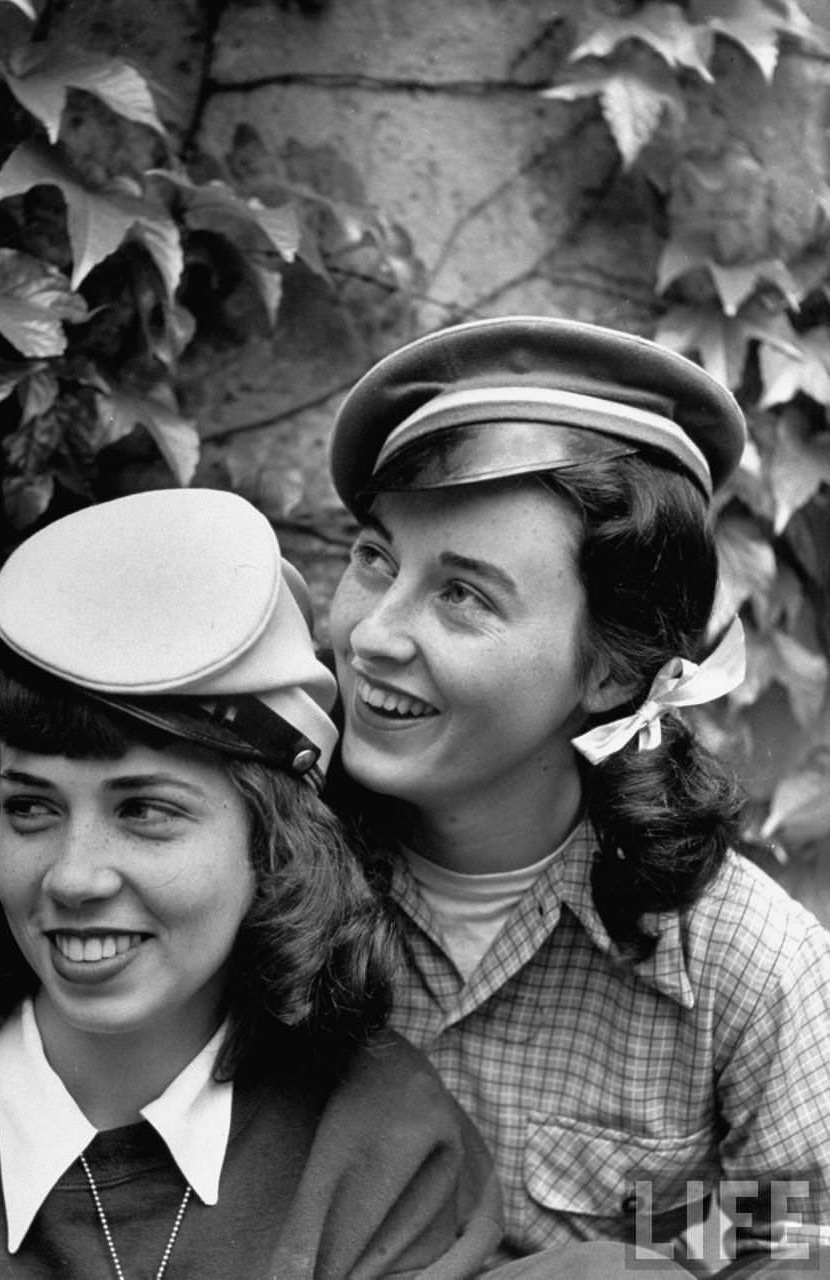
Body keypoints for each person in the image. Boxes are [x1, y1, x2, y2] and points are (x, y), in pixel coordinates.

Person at [0, 488, 509, 1280]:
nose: (73, 877)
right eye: (32, 807)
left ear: (276, 846)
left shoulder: (383, 1154)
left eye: (145, 810)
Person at [324, 316, 830, 1274]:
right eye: (375, 559)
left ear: (606, 673)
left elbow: (800, 1238)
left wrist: (640, 1262)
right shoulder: (264, 870)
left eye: (463, 595)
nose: (373, 637)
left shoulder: (743, 967)